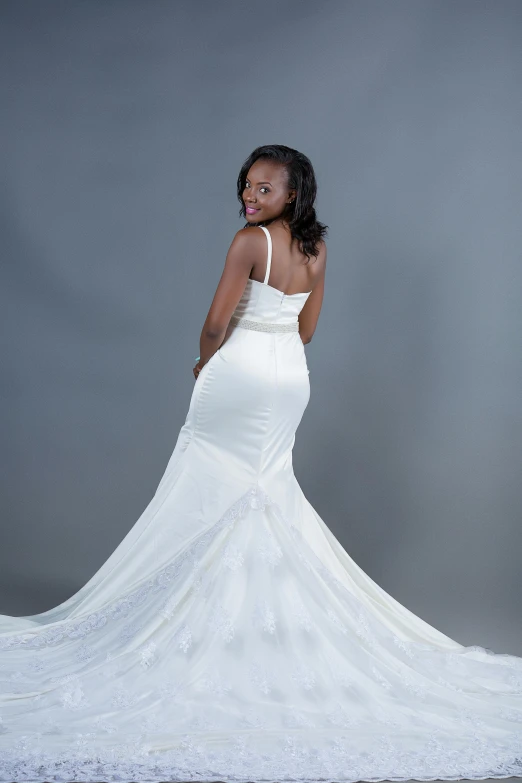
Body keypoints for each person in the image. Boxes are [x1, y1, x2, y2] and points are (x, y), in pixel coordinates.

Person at [0, 144, 521, 783]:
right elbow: (306, 330)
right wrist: (273, 342)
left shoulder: (251, 242)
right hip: (289, 379)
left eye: (264, 189)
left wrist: (204, 363)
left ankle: (202, 633)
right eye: (247, 186)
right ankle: (256, 637)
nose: (251, 198)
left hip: (240, 370)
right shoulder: (317, 250)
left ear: (293, 193)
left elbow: (216, 323)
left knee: (210, 491)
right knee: (265, 494)